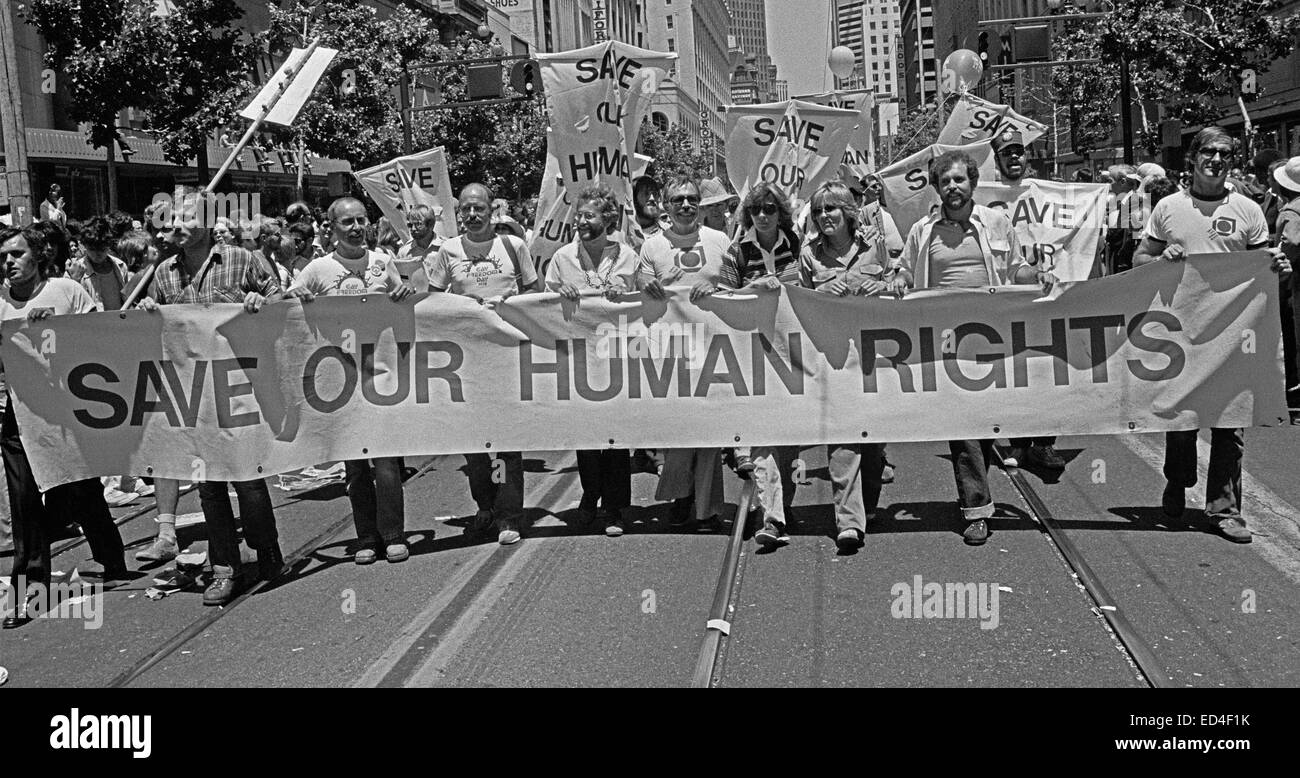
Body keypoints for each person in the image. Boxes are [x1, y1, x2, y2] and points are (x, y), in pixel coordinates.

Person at [1132, 126, 1292, 543]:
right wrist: (1159, 256)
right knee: (1181, 419)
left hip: (1234, 338)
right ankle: (1177, 483)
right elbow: (1140, 257)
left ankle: (1225, 510)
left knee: (1231, 422)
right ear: (1194, 158)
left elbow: (1262, 266)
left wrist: (1279, 269)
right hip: (1182, 335)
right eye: (1209, 153)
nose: (1217, 160)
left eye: (1225, 154)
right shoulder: (1167, 208)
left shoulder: (1248, 209)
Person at [137, 189, 285, 604]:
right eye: (170, 221)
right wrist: (149, 312)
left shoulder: (241, 259)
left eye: (184, 218)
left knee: (249, 481)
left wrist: (262, 301)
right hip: (193, 397)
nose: (176, 228)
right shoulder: (164, 273)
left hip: (239, 391)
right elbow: (158, 332)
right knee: (209, 486)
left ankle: (265, 544)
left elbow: (282, 304)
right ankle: (225, 568)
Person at [0, 225, 129, 628]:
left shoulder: (65, 291)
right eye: (3, 256)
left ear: (38, 256)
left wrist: (56, 328)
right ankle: (30, 591)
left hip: (68, 407)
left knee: (81, 486)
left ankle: (112, 558)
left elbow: (98, 339)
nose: (8, 263)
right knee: (23, 501)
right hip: (19, 412)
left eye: (17, 254)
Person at [899, 150, 1021, 546]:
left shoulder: (998, 224)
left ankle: (980, 483)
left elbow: (1018, 268)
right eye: (945, 181)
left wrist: (1035, 275)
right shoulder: (922, 230)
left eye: (959, 180)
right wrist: (899, 280)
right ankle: (976, 508)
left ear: (973, 183)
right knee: (965, 422)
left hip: (995, 335)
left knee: (986, 418)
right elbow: (904, 269)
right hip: (945, 339)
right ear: (936, 188)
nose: (953, 187)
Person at [286, 197, 418, 564]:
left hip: (380, 377)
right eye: (348, 222)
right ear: (331, 228)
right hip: (340, 381)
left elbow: (405, 301)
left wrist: (403, 293)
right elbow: (286, 307)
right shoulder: (317, 269)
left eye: (362, 221)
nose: (357, 228)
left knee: (387, 464)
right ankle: (365, 538)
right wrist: (296, 295)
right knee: (355, 468)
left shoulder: (383, 263)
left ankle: (393, 533)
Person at [429, 183, 539, 545]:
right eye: (466, 209)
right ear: (458, 212)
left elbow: (536, 296)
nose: (473, 215)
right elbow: (433, 301)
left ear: (493, 210)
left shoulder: (514, 246)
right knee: (474, 442)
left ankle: (510, 515)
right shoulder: (448, 251)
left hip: (507, 358)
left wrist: (512, 302)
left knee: (507, 441)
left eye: (479, 208)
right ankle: (485, 506)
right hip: (466, 362)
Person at [795, 181, 892, 551]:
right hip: (833, 359)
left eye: (831, 209)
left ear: (848, 212)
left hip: (875, 358)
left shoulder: (875, 245)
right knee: (842, 439)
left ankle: (866, 505)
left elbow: (904, 280)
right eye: (818, 211)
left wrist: (885, 283)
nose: (823, 217)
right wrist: (818, 295)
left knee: (872, 442)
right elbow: (797, 304)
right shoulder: (809, 254)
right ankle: (848, 522)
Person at [636, 175, 731, 529]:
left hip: (715, 349)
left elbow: (738, 283)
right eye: (678, 200)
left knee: (709, 432)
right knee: (679, 429)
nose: (687, 206)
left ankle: (706, 509)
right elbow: (640, 285)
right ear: (665, 205)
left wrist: (718, 283)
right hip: (671, 350)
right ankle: (681, 495)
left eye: (692, 199)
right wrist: (645, 284)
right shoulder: (651, 247)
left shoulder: (720, 240)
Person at [715, 182, 804, 547]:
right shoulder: (736, 251)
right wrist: (755, 289)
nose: (763, 215)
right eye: (756, 210)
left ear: (780, 211)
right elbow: (725, 298)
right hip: (754, 354)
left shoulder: (798, 245)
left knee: (789, 440)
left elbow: (810, 288)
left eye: (769, 208)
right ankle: (772, 518)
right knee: (763, 438)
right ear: (747, 214)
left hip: (794, 351)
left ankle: (781, 506)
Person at [546, 185, 637, 537]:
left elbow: (645, 295)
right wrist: (559, 292)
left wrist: (625, 292)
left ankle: (614, 507)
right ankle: (590, 495)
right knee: (585, 431)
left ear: (608, 219)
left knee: (614, 433)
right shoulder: (562, 258)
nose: (581, 222)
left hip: (616, 354)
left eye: (589, 216)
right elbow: (544, 300)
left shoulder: (627, 255)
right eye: (579, 215)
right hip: (578, 354)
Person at [1273, 156, 1300, 421]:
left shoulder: (1293, 211)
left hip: (1295, 282)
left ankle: (1295, 397)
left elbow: (1289, 243)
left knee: (1293, 338)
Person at [74, 215, 131, 312]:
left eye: (102, 249)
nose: (97, 254)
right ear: (84, 246)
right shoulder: (76, 270)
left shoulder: (120, 266)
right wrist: (75, 280)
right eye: (92, 249)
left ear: (109, 245)